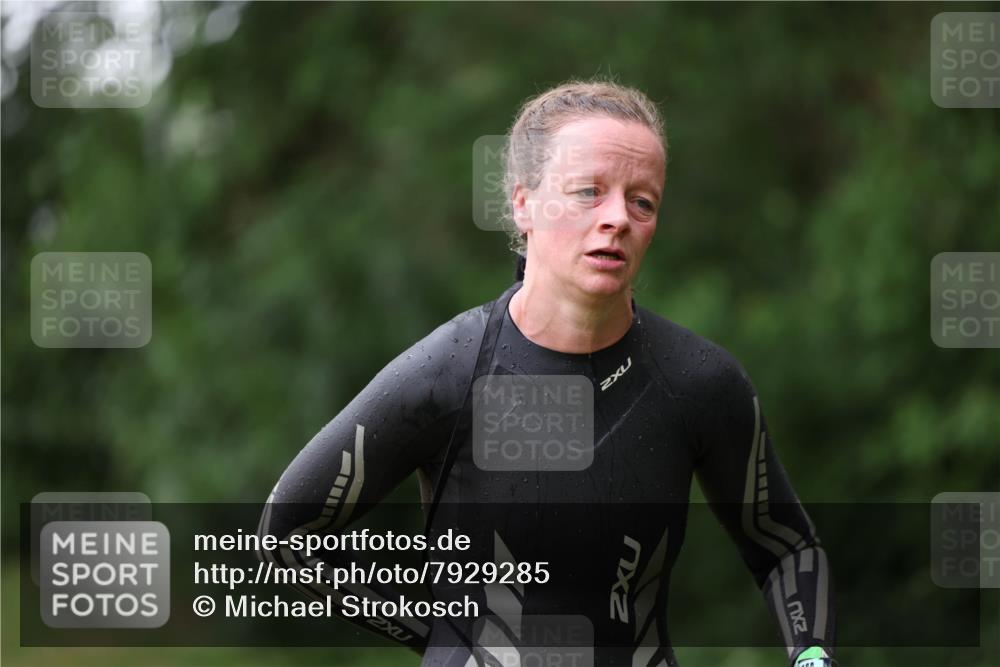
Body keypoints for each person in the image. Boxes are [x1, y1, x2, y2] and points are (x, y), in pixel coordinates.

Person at [258, 79, 836, 667]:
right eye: (589, 192)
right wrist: (441, 633)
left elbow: (787, 548)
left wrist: (812, 658)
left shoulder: (698, 381)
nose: (617, 218)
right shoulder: (450, 373)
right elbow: (287, 532)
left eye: (643, 201)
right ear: (522, 203)